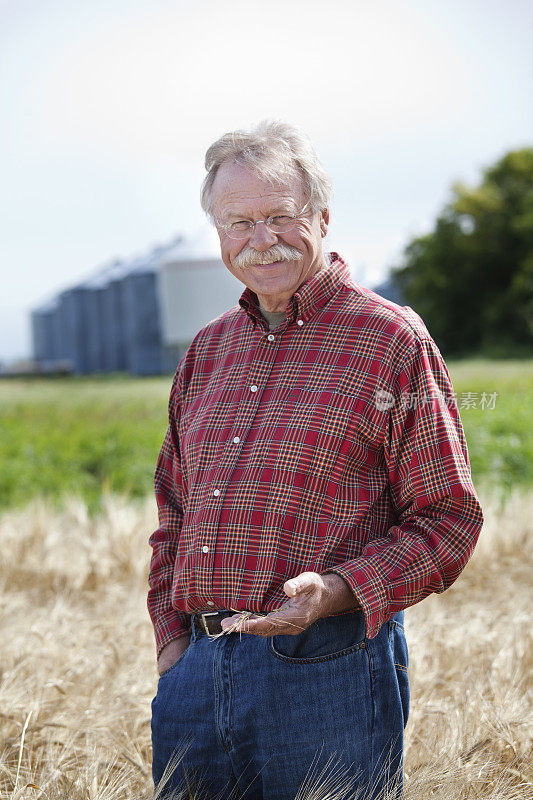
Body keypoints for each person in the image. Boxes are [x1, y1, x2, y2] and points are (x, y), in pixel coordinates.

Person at [148, 120, 483, 800]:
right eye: (237, 222)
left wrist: (333, 593)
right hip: (196, 673)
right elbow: (173, 514)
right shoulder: (208, 350)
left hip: (325, 667)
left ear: (322, 218)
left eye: (279, 216)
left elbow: (447, 518)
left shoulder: (390, 339)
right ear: (217, 232)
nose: (259, 238)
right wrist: (171, 649)